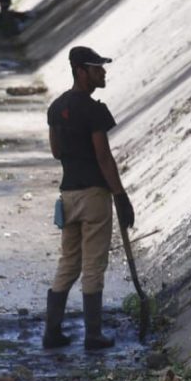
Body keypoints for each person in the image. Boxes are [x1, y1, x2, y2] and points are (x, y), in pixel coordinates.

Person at [44, 45, 136, 351]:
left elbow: (56, 151)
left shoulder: (56, 108)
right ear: (81, 72)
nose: (103, 72)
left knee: (68, 262)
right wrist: (121, 196)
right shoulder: (95, 110)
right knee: (94, 265)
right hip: (95, 195)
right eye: (97, 68)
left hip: (67, 194)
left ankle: (52, 332)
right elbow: (104, 157)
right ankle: (93, 335)